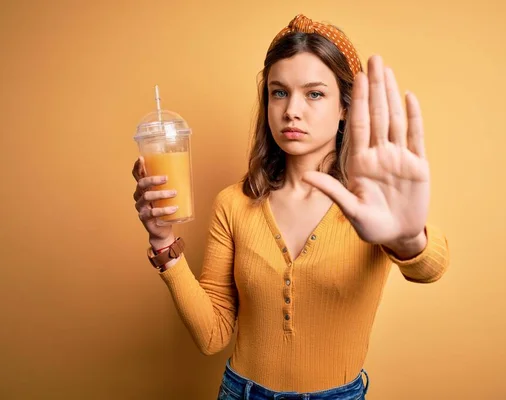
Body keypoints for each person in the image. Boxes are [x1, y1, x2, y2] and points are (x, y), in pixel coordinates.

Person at [132, 14, 449, 400]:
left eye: (314, 94)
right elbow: (212, 336)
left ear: (346, 107)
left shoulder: (370, 204)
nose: (291, 111)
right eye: (279, 92)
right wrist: (163, 241)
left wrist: (408, 238)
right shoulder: (234, 203)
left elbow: (432, 268)